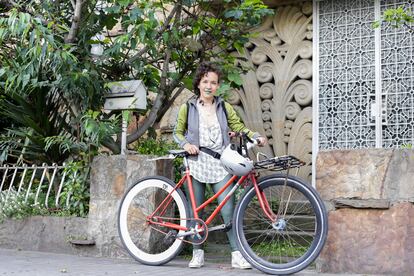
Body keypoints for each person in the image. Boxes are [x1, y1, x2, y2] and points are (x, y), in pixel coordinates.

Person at [173, 62, 267, 269]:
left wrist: (256, 136)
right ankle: (197, 252)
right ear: (198, 83)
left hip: (221, 163)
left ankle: (236, 254)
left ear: (218, 86)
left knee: (228, 210)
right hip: (196, 163)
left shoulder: (224, 107)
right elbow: (177, 132)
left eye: (213, 83)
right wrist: (186, 144)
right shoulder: (187, 108)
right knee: (196, 211)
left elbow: (239, 127)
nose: (209, 86)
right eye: (205, 81)